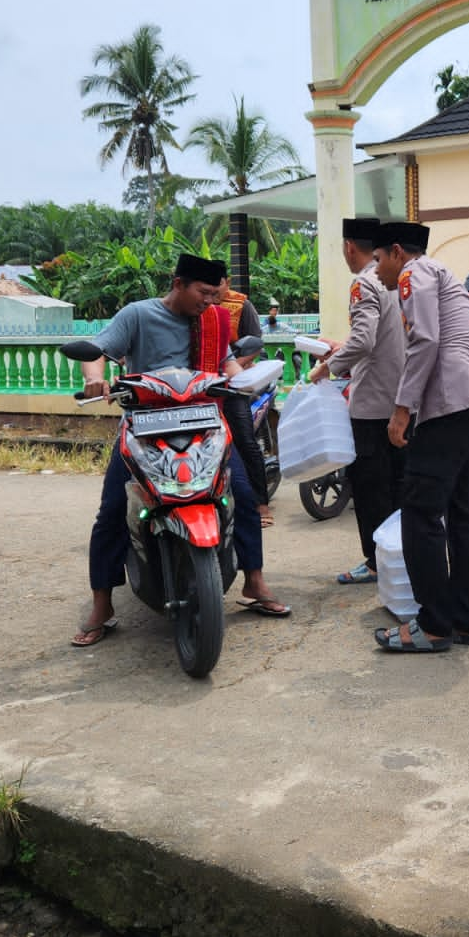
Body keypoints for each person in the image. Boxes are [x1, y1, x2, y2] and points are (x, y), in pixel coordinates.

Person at [71, 253, 289, 648]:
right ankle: (102, 604)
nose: (210, 301)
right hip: (144, 426)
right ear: (178, 285)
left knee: (242, 494)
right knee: (111, 512)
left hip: (204, 422)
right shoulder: (137, 315)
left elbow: (227, 363)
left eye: (215, 293)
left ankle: (254, 582)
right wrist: (95, 381)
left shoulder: (213, 321)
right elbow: (99, 353)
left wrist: (245, 380)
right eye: (203, 293)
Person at [370, 220, 469, 653]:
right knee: (464, 517)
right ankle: (466, 621)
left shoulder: (415, 272)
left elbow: (424, 340)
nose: (376, 272)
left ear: (395, 251)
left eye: (377, 261)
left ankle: (433, 625)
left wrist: (401, 409)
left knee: (421, 513)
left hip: (449, 403)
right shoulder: (446, 277)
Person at [308, 217, 406, 585]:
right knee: (398, 484)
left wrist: (328, 367)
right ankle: (400, 556)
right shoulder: (399, 281)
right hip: (402, 400)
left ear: (350, 246)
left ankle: (377, 561)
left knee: (370, 486)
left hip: (371, 405)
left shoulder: (364, 283)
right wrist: (344, 348)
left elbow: (364, 340)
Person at [218, 275, 261, 341]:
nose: (214, 288)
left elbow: (254, 338)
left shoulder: (243, 304)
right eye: (208, 283)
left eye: (219, 284)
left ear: (227, 282)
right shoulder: (200, 304)